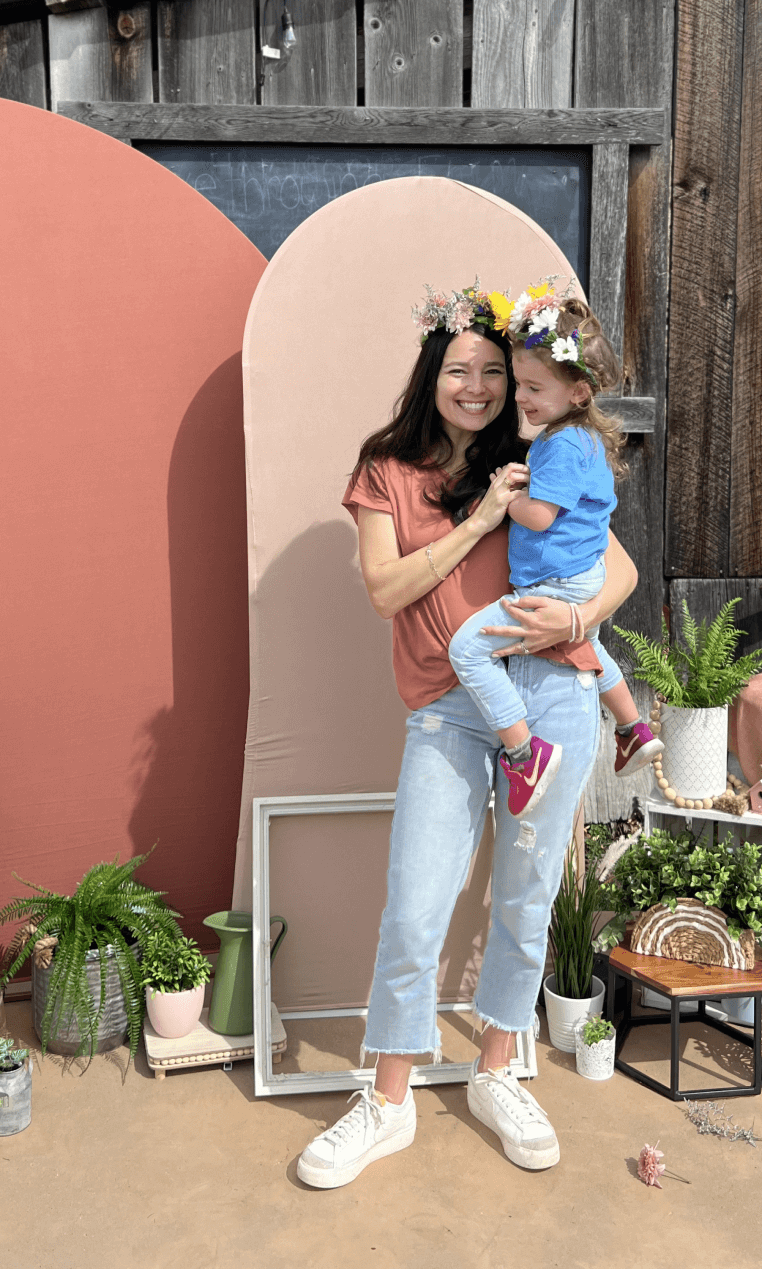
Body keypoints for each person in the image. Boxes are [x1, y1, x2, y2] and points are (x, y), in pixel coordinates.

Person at [295, 280, 637, 1190]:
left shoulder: (535, 452)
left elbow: (621, 570)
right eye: (461, 370)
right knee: (416, 903)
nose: (480, 388)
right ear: (431, 374)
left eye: (496, 372)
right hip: (450, 706)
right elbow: (384, 591)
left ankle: (497, 1074)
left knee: (525, 902)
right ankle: (389, 1098)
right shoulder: (389, 471)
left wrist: (573, 626)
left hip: (553, 694)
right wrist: (481, 519)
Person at [447, 282, 662, 821]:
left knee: (468, 651)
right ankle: (634, 729)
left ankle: (523, 755)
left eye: (533, 387)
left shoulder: (563, 444)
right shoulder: (574, 436)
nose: (520, 397)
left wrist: (505, 492)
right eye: (519, 383)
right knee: (588, 647)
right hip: (579, 578)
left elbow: (540, 516)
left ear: (579, 393)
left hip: (556, 584)